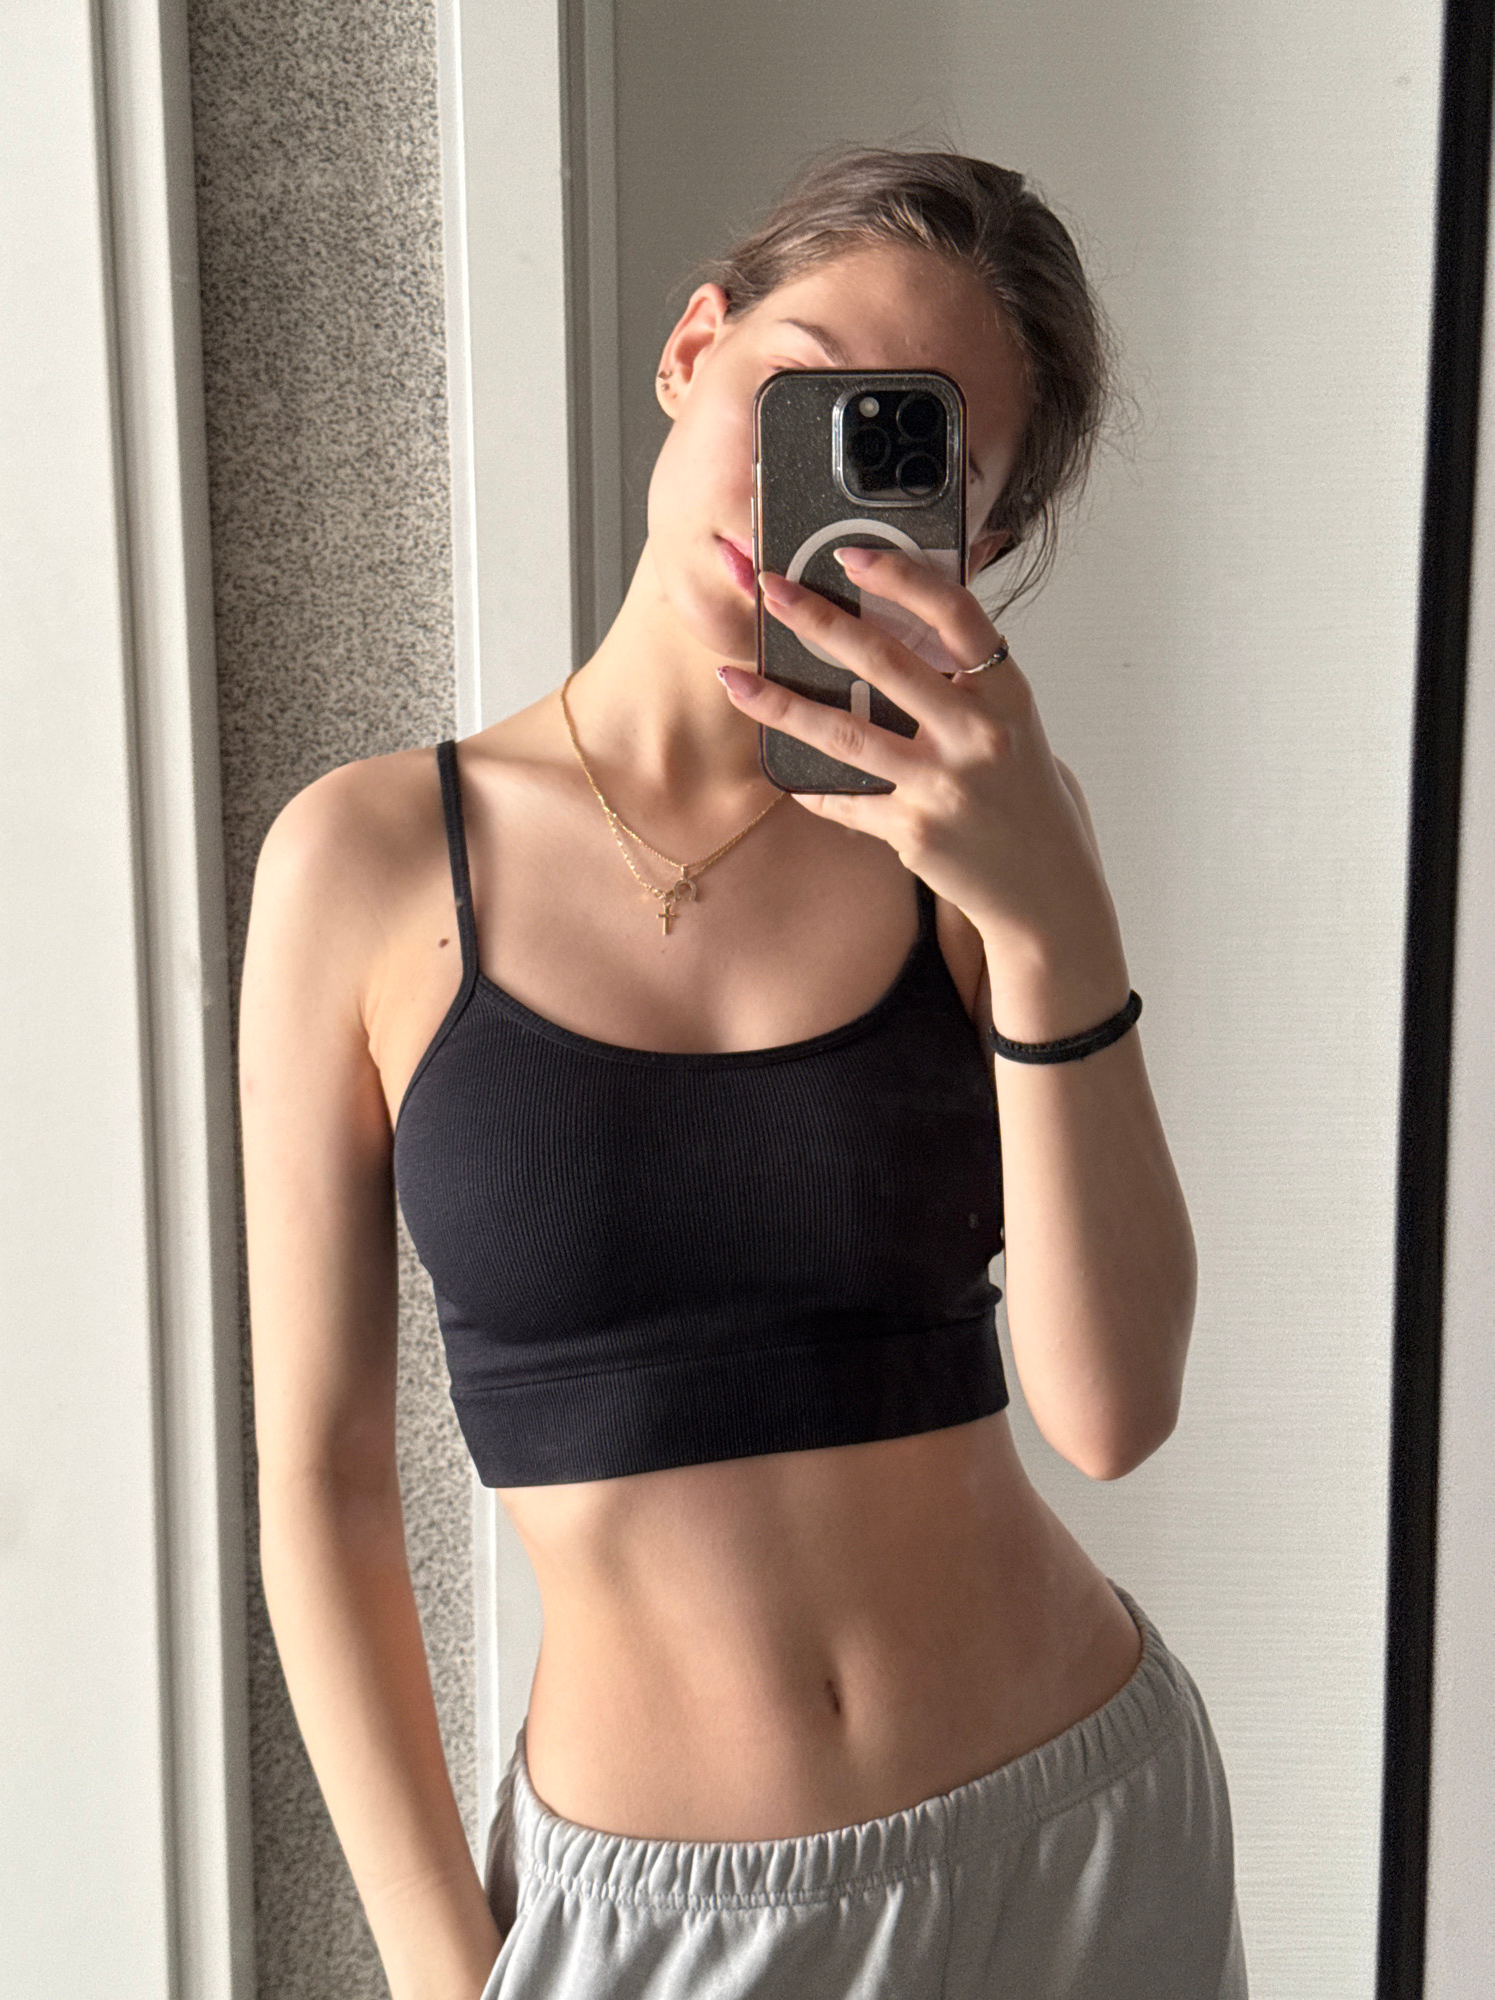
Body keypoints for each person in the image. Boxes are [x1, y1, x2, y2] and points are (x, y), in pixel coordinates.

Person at [239, 146, 1248, 2000]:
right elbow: (321, 1476)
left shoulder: (980, 849)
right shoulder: (366, 863)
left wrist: (1053, 920)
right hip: (656, 1921)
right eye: (808, 390)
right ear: (695, 349)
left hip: (1080, 1843)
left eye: (912, 459)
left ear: (970, 549)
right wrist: (441, 1969)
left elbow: (1111, 1413)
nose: (817, 495)